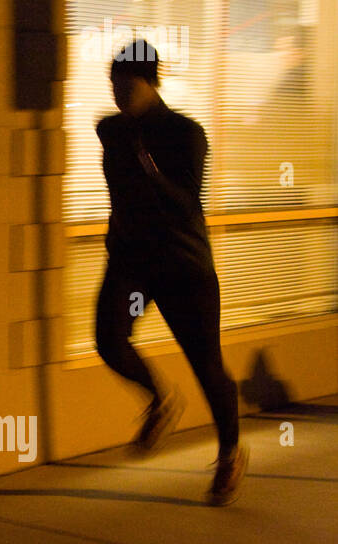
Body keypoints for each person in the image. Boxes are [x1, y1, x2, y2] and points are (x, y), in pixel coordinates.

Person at [94, 39, 248, 505]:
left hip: (183, 265)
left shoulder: (186, 133)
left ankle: (229, 454)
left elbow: (187, 202)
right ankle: (159, 400)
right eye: (113, 85)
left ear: (151, 82)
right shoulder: (109, 130)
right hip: (132, 264)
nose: (119, 94)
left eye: (127, 85)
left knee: (206, 365)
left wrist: (150, 167)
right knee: (109, 340)